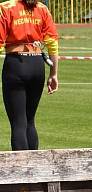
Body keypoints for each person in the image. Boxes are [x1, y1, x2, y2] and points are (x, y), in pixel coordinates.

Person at [0, 0, 59, 151]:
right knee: (30, 120)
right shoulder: (42, 9)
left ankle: (22, 171)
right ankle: (34, 167)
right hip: (37, 64)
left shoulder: (6, 7)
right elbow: (52, 43)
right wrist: (54, 74)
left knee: (18, 122)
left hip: (16, 64)